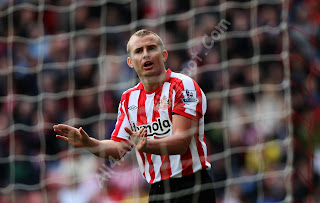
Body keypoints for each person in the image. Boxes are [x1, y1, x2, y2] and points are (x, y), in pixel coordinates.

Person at [53, 29, 216, 203]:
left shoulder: (183, 85)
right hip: (157, 190)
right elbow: (118, 149)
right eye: (139, 51)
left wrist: (146, 145)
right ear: (130, 62)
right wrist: (89, 143)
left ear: (164, 55)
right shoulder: (128, 99)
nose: (146, 55)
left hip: (192, 186)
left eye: (151, 48)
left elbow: (181, 143)